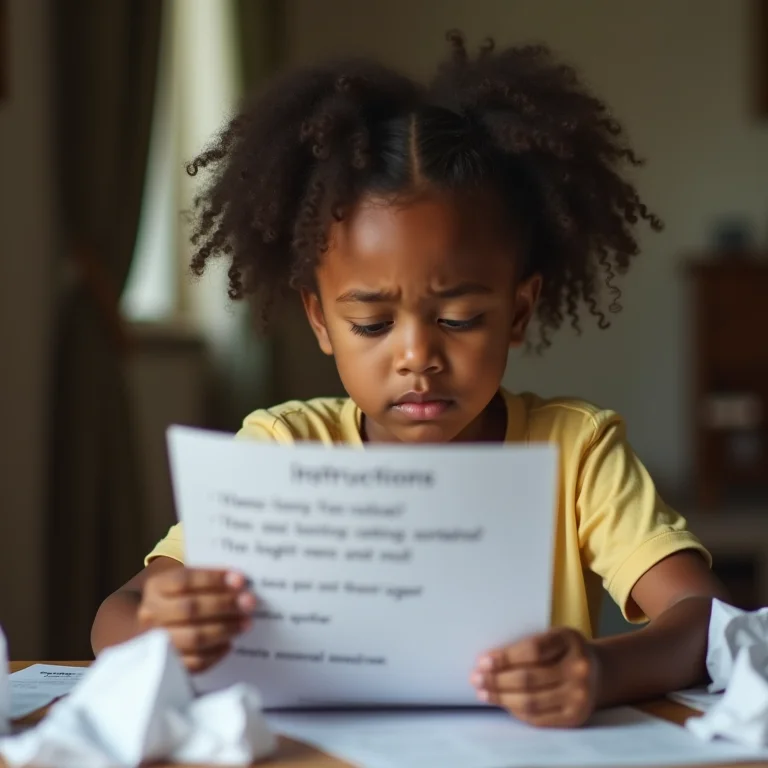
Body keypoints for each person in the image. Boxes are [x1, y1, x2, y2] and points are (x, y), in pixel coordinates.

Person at [92, 33, 727, 727]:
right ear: (320, 320)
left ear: (519, 312)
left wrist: (601, 669)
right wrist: (162, 625)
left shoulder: (575, 452)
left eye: (458, 319)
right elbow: (114, 618)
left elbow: (701, 617)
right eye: (372, 324)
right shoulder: (281, 450)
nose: (417, 357)